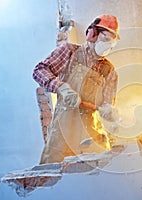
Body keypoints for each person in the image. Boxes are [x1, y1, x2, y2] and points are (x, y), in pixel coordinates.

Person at [32, 14, 120, 164]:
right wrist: (61, 87)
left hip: (91, 134)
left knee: (99, 176)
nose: (108, 45)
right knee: (50, 178)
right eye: (105, 38)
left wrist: (109, 111)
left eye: (111, 42)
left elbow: (107, 104)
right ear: (92, 34)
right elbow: (39, 70)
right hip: (63, 132)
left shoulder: (109, 71)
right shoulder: (69, 52)